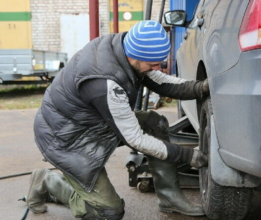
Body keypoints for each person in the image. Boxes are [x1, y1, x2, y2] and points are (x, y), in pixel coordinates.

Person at [26, 20, 209, 220]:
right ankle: (48, 181)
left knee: (154, 122)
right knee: (108, 212)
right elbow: (135, 139)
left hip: (93, 123)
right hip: (68, 140)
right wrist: (187, 155)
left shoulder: (125, 50)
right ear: (135, 56)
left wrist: (200, 88)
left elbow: (161, 81)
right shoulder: (104, 82)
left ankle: (170, 198)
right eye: (153, 63)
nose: (157, 67)